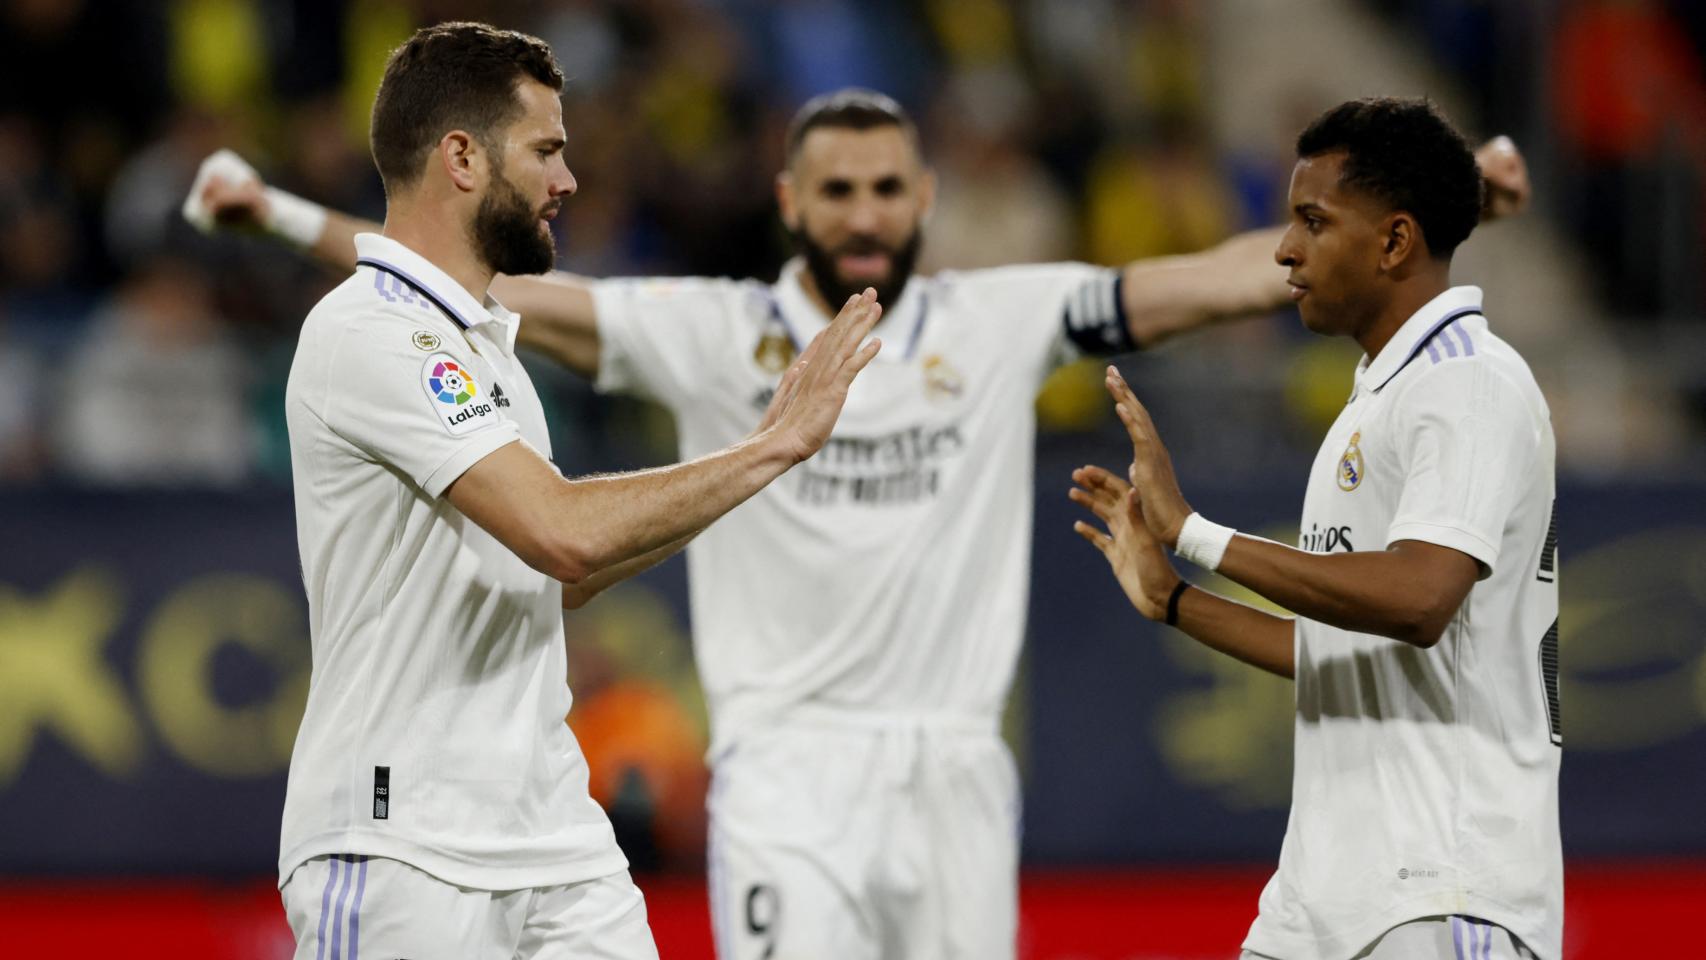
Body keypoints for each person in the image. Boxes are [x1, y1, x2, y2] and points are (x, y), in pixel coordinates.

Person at [187, 88, 1530, 960]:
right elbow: (483, 293)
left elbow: (1233, 271)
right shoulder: (713, 332)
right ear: (790, 204)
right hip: (786, 770)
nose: (866, 215)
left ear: (922, 199)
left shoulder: (1003, 320)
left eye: (889, 189)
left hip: (954, 771)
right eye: (836, 192)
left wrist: (1444, 193)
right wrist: (289, 216)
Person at [264, 23, 884, 960]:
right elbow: (561, 534)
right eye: (547, 150)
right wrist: (768, 449)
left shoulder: (492, 355)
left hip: (550, 831)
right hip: (401, 843)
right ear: (462, 157)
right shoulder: (369, 331)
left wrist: (751, 466)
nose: (568, 181)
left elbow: (555, 577)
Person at [1071, 97, 1559, 960]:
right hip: (1323, 898)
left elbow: (1418, 599)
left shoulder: (1468, 381)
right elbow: (1344, 655)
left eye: (1312, 221)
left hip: (1439, 888)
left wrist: (1194, 531)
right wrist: (1176, 601)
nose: (1285, 250)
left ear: (1395, 241)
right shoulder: (1381, 395)